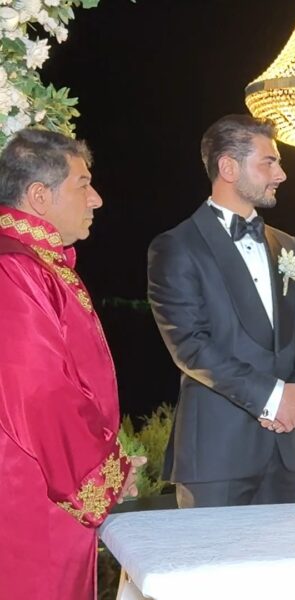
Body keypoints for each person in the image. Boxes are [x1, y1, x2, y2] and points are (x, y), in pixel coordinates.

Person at [147, 114, 295, 508]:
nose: (281, 174)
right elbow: (190, 346)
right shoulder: (177, 246)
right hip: (217, 453)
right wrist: (273, 398)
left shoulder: (288, 245)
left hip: (288, 446)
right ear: (229, 167)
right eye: (269, 162)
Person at [0, 128, 142, 599]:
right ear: (39, 196)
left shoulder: (37, 263)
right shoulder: (13, 268)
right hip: (30, 496)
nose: (96, 199)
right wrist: (104, 474)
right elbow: (39, 391)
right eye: (83, 184)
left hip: (45, 488)